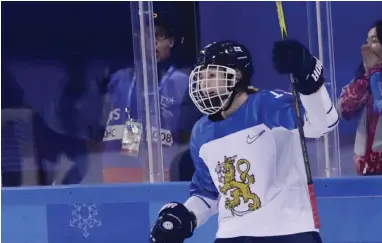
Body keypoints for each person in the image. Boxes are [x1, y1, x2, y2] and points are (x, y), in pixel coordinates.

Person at [149, 39, 339, 243]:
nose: (204, 83)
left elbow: (322, 124)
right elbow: (208, 193)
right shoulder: (201, 132)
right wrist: (186, 216)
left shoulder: (267, 105)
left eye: (212, 75)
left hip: (289, 231)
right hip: (232, 236)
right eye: (201, 76)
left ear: (237, 75)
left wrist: (308, 76)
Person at [102, 2, 201, 182]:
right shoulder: (120, 79)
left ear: (171, 41)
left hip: (166, 169)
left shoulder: (184, 82)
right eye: (146, 35)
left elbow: (189, 133)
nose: (152, 42)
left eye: (159, 36)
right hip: (118, 169)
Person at [337, 20, 382, 175]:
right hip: (366, 174)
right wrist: (366, 78)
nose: (367, 47)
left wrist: (376, 73)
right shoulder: (363, 78)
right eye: (367, 41)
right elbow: (343, 109)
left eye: (374, 41)